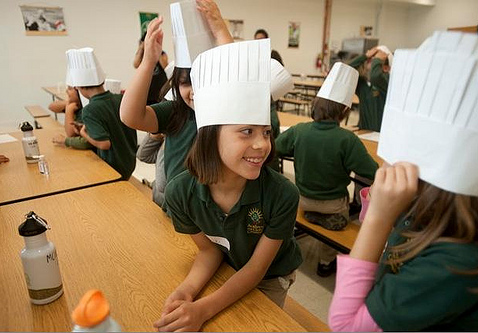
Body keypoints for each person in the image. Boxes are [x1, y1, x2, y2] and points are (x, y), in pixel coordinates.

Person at [328, 31, 478, 331]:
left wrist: (379, 218)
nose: (386, 166)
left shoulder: (458, 262)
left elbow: (345, 326)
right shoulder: (425, 211)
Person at [154, 39, 302, 332]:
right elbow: (210, 251)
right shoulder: (180, 192)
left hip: (271, 275)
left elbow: (258, 269)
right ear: (211, 136)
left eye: (267, 132)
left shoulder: (282, 194)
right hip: (230, 262)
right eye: (246, 131)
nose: (262, 145)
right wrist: (188, 291)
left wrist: (202, 309)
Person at [120, 0, 233, 206]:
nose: (195, 92)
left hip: (212, 213)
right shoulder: (176, 112)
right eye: (186, 83)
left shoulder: (228, 113)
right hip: (177, 208)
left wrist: (220, 31)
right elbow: (130, 116)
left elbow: (236, 76)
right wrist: (148, 62)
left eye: (203, 82)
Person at [276, 62, 378, 277]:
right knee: (339, 212)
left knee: (310, 205)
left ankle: (311, 215)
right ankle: (325, 262)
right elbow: (370, 171)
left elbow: (276, 147)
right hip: (332, 204)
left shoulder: (299, 131)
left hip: (302, 198)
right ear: (343, 111)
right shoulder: (347, 139)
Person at [65, 47, 137, 180]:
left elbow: (104, 144)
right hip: (129, 162)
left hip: (112, 167)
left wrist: (83, 133)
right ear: (102, 81)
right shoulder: (120, 98)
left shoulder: (90, 110)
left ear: (80, 88)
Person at [348, 45, 392, 132]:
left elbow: (375, 76)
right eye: (370, 60)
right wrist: (364, 56)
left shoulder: (387, 82)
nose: (371, 62)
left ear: (386, 68)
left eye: (375, 61)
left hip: (380, 134)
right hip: (364, 132)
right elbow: (347, 70)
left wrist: (377, 60)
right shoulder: (362, 84)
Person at [51, 85, 93, 150]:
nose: (66, 91)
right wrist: (68, 103)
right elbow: (52, 106)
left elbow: (71, 134)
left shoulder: (87, 110)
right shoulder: (77, 105)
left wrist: (69, 110)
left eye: (70, 89)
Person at [133, 32, 169, 106]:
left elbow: (165, 66)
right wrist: (141, 48)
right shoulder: (142, 55)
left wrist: (156, 49)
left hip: (160, 89)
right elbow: (136, 64)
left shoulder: (162, 54)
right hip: (147, 91)